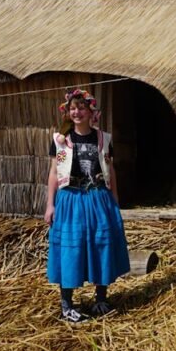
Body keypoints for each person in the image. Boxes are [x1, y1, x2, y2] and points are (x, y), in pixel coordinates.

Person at [45, 88, 130, 323]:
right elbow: (54, 173)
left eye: (81, 107)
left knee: (100, 245)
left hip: (98, 198)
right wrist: (50, 205)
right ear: (67, 113)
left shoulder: (103, 139)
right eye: (73, 108)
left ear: (91, 111)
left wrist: (114, 201)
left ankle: (101, 299)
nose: (77, 112)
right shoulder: (61, 142)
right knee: (71, 249)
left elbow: (110, 170)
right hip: (70, 200)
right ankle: (67, 305)